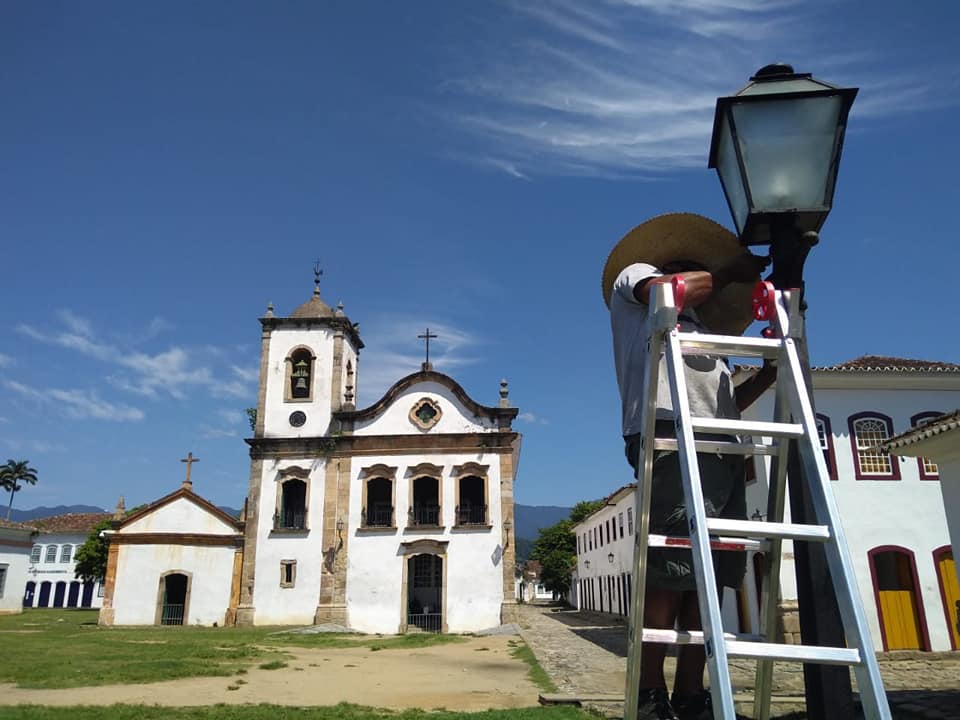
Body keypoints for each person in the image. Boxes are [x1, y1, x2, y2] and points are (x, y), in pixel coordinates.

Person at [602, 213, 777, 720]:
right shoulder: (635, 282)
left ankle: (691, 693)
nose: (698, 280)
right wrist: (732, 272)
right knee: (669, 569)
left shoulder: (708, 336)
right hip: (667, 437)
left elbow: (726, 402)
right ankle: (651, 693)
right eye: (690, 270)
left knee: (708, 576)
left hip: (721, 445)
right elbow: (671, 291)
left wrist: (765, 376)